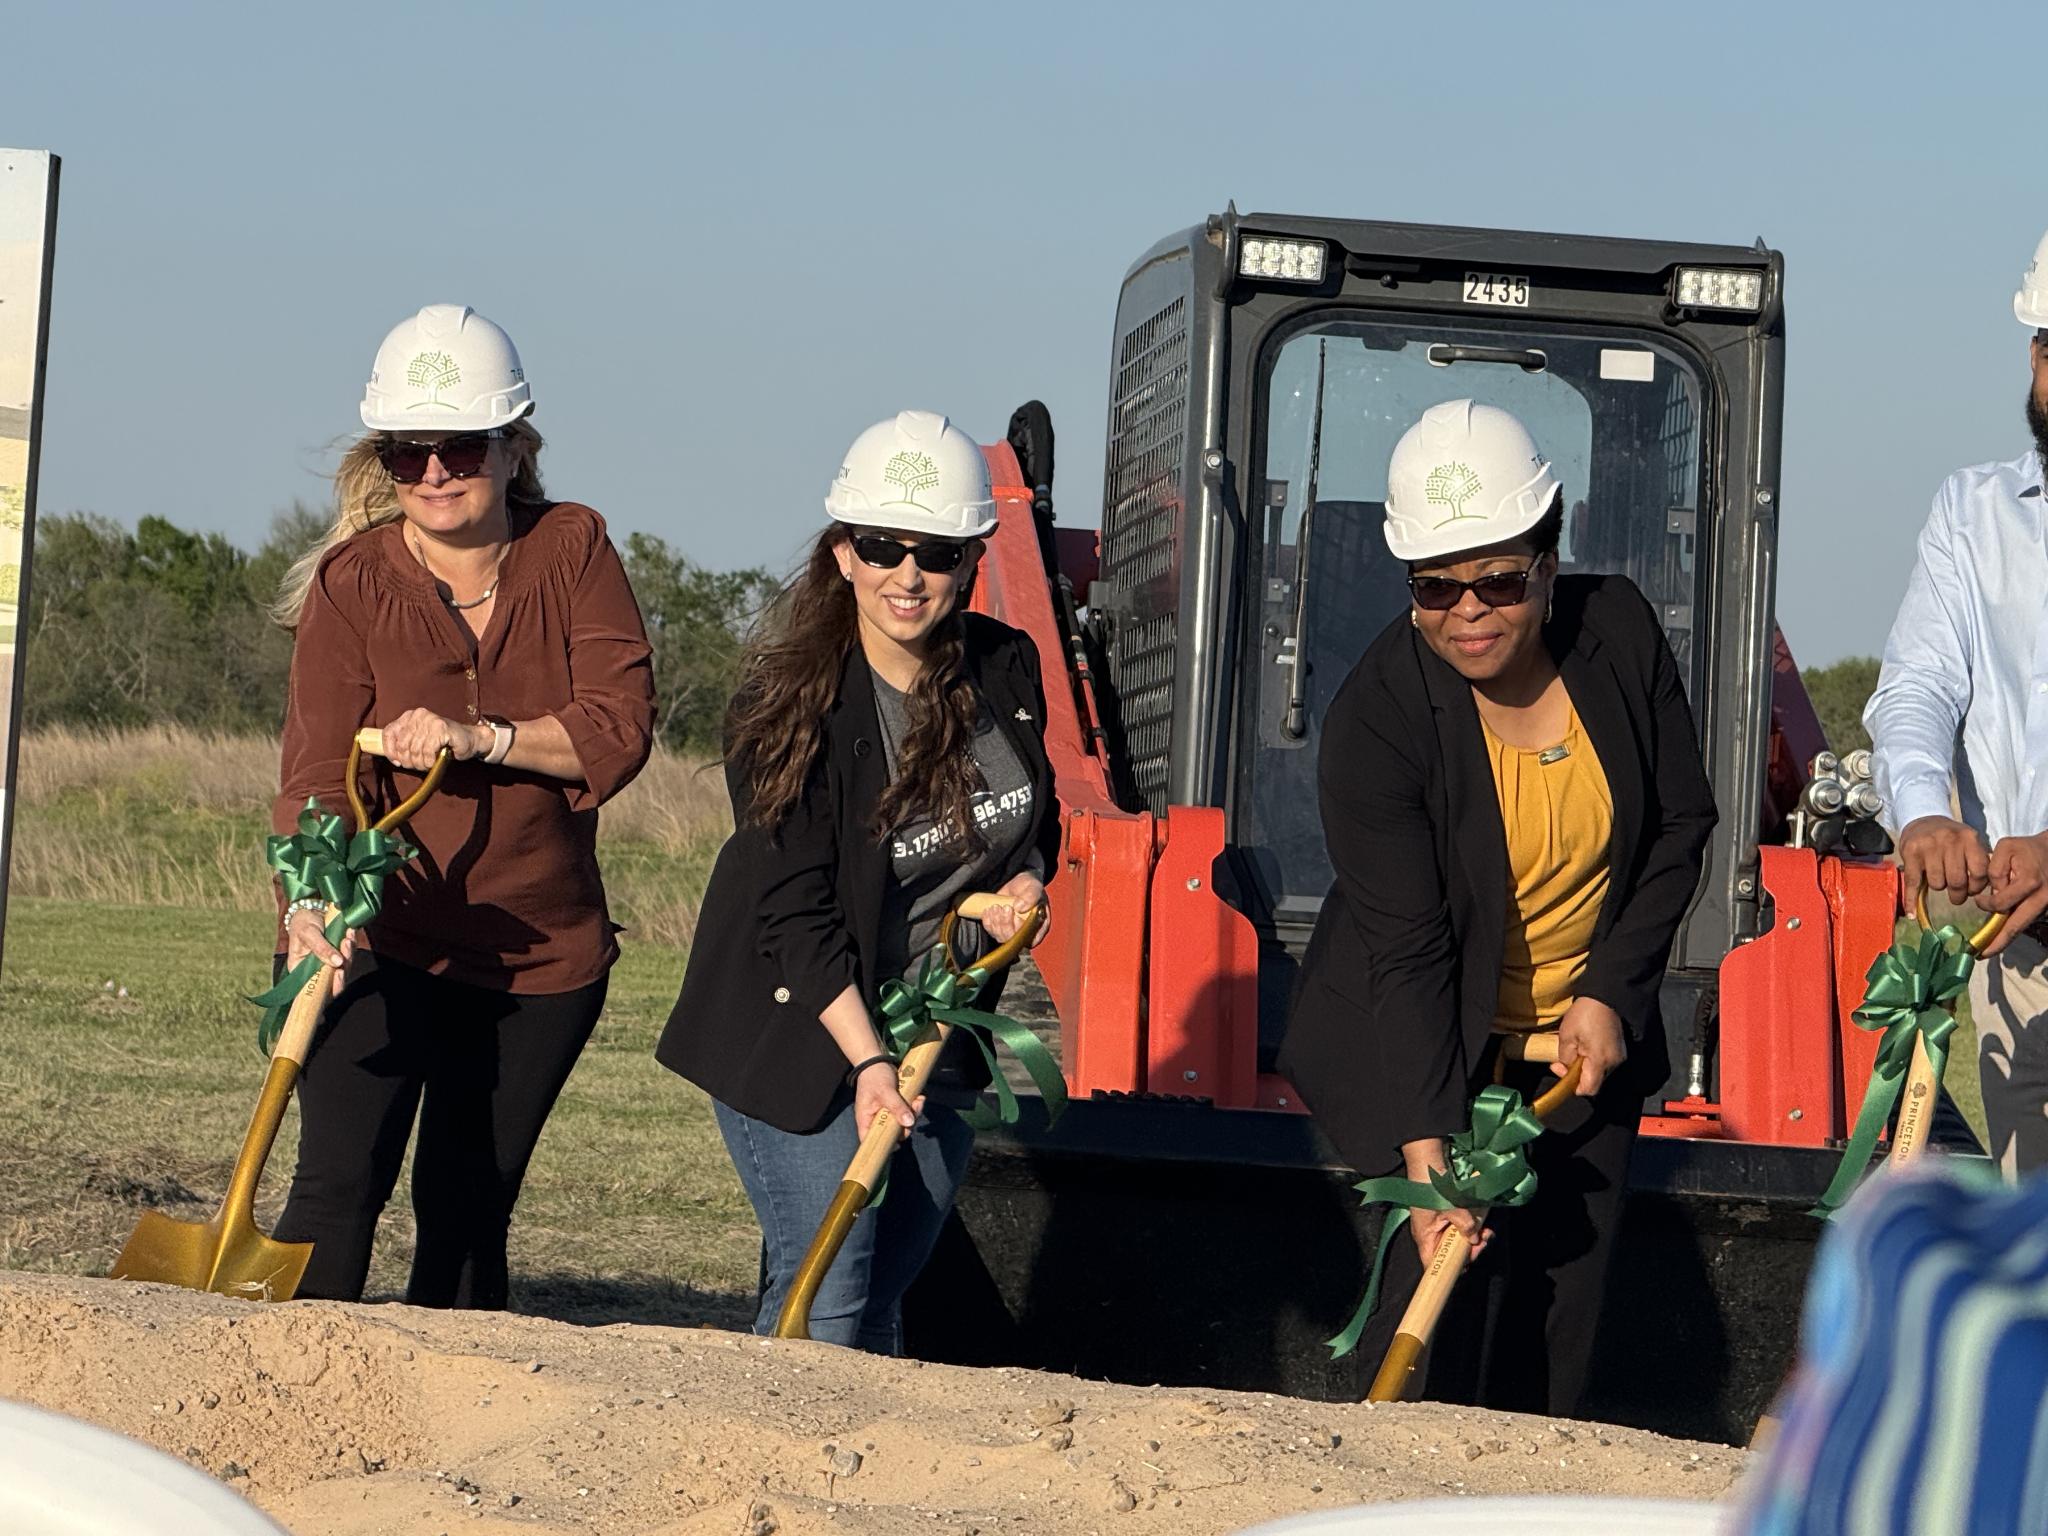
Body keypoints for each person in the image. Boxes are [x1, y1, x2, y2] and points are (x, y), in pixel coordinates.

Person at [1278, 399, 1717, 1414]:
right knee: (1428, 1316)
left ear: (1547, 558)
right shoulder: (1377, 725)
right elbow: (1409, 951)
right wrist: (1427, 1148)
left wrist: (1609, 993)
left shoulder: (1617, 632)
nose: (1466, 611)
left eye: (1495, 581)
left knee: (1554, 1330)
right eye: (1435, 587)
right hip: (1416, 1038)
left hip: (1577, 1050)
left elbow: (1676, 825)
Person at [269, 303, 655, 1307]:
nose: (435, 473)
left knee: (465, 1206)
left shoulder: (574, 553)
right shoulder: (352, 585)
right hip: (378, 939)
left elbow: (618, 726)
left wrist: (480, 738)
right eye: (408, 453)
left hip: (536, 957)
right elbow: (314, 776)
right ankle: (280, 1417)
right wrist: (310, 906)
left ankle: (436, 1447)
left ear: (515, 448)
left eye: (460, 449)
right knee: (335, 1189)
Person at [656, 410, 1059, 1354]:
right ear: (842, 554)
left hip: (936, 1022)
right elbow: (794, 915)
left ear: (971, 561)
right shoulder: (785, 704)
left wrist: (1026, 887)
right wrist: (869, 1063)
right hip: (797, 1019)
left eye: (937, 552)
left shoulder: (1006, 666)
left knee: (886, 1288)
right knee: (827, 1287)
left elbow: (1028, 823)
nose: (907, 575)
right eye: (882, 546)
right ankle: (770, 1477)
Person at [1866, 228, 2048, 1177]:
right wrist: (1925, 809)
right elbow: (1919, 686)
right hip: (2018, 961)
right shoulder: (1971, 516)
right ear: (2035, 355)